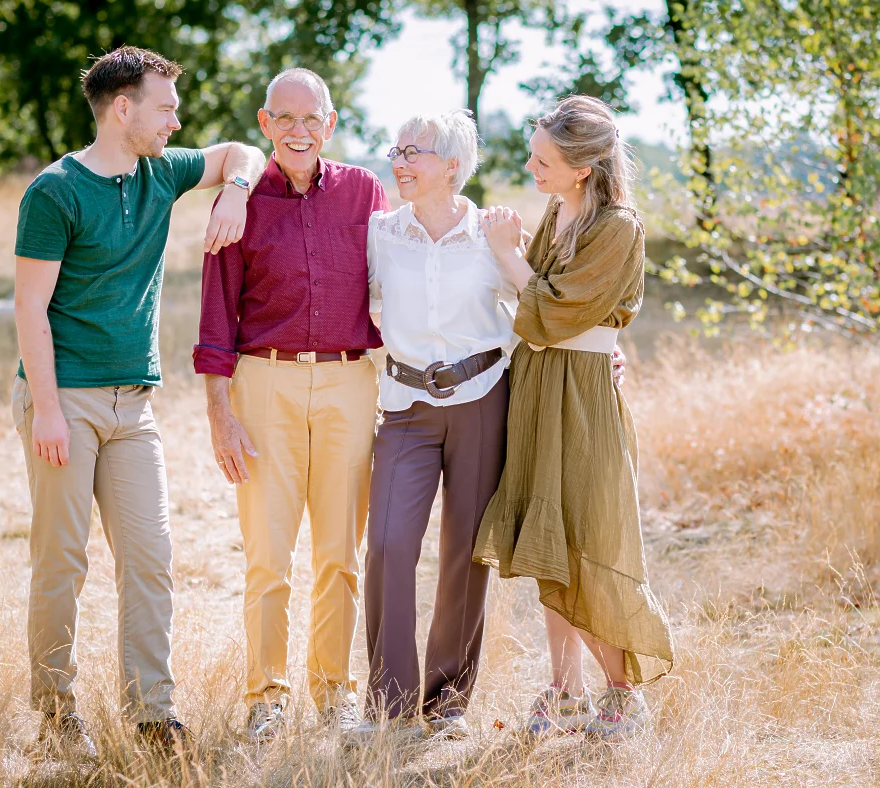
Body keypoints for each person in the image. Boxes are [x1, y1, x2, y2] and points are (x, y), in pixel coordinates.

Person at [12, 45, 265, 759]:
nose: (177, 121)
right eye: (165, 107)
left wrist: (237, 188)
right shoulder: (55, 191)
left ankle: (154, 715)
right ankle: (56, 716)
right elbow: (30, 308)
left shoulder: (162, 172)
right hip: (65, 400)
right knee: (62, 561)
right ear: (122, 109)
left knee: (151, 558)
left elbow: (237, 150)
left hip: (136, 407)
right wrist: (49, 409)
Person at [194, 68, 389, 741]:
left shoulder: (366, 193)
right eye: (286, 118)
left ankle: (335, 692)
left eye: (313, 119)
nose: (300, 131)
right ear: (265, 123)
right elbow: (216, 315)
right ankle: (265, 697)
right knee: (267, 555)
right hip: (263, 384)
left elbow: (406, 283)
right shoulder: (237, 202)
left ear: (331, 123)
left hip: (347, 381)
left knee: (340, 552)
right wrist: (220, 413)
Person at [473, 95, 674, 741]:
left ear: (583, 167)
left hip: (581, 397)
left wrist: (507, 253)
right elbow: (530, 310)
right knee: (548, 543)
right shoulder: (560, 210)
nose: (532, 168)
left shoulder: (620, 226)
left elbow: (553, 310)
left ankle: (623, 694)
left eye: (544, 160)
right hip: (538, 386)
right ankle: (565, 693)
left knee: (585, 544)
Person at [342, 110, 512, 746]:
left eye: (416, 151)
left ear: (454, 166)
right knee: (387, 543)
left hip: (482, 398)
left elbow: (536, 306)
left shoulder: (492, 233)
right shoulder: (381, 232)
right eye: (397, 148)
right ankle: (387, 705)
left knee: (466, 551)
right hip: (405, 406)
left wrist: (602, 346)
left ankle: (446, 705)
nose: (401, 161)